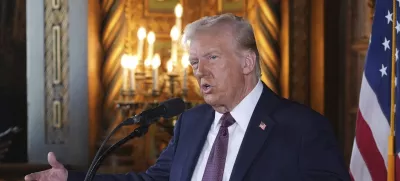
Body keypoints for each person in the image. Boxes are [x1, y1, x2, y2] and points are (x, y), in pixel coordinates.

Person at [25, 13, 351, 181]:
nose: (199, 71)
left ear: (247, 62)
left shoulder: (302, 127)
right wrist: (74, 180)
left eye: (212, 58)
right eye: (194, 62)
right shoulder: (191, 122)